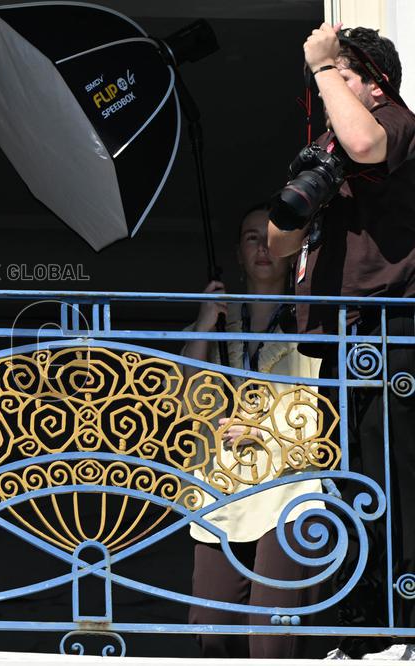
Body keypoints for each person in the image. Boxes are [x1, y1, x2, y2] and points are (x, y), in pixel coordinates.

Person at [268, 24, 415, 660]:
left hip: (391, 332)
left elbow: (364, 140)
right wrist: (301, 190)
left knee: (396, 481)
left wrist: (325, 63)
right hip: (338, 338)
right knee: (347, 485)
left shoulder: (396, 124)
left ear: (373, 83)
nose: (327, 87)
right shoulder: (333, 144)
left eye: (340, 77)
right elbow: (276, 245)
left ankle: (404, 624)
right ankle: (361, 627)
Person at [183, 205, 326, 659]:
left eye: (273, 236)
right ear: (238, 255)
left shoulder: (314, 326)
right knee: (210, 636)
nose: (263, 247)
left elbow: (323, 413)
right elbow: (179, 407)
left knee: (270, 638)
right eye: (250, 238)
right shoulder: (214, 330)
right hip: (218, 491)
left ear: (294, 251)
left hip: (288, 488)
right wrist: (205, 322)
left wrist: (262, 432)